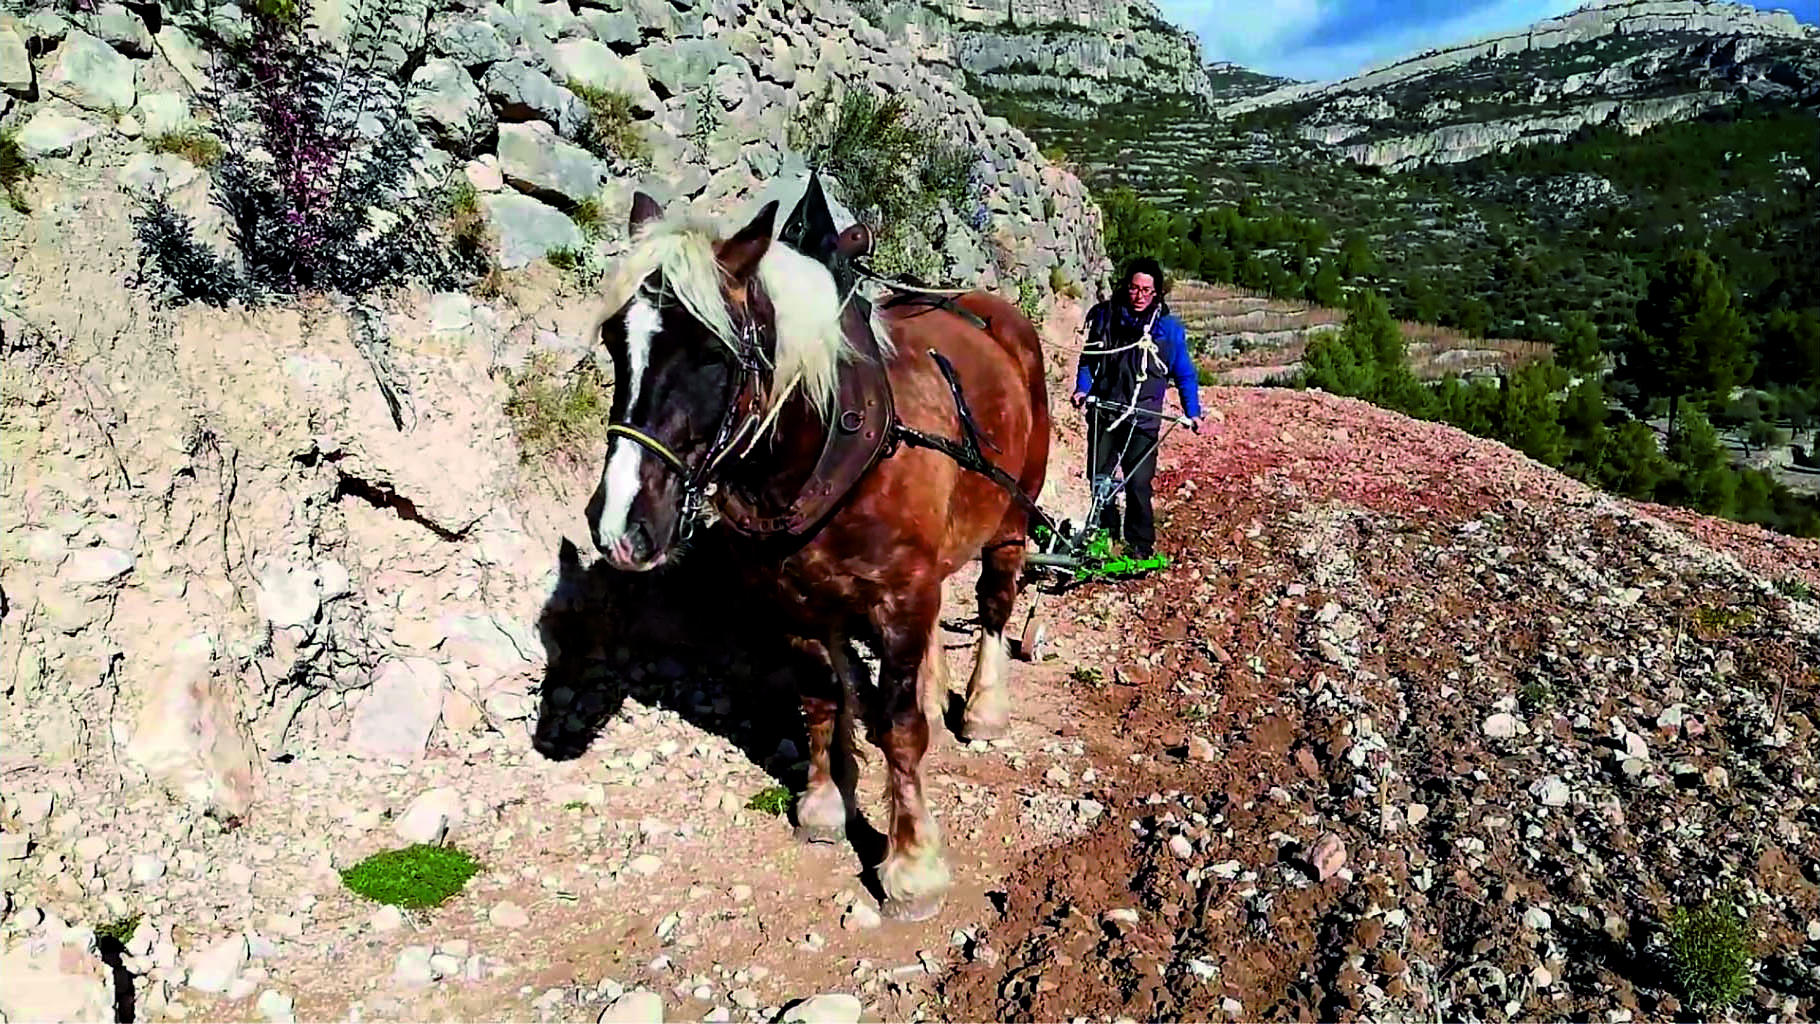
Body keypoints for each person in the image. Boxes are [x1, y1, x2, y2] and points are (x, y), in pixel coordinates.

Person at [1070, 257, 1203, 560]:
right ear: (1125, 287)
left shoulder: (1168, 331)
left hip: (1143, 419)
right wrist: (1082, 387)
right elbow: (1089, 360)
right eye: (1133, 288)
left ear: (1156, 293)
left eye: (1146, 290)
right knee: (1100, 479)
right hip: (1104, 411)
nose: (1139, 296)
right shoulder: (1105, 318)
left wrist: (1192, 410)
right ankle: (1101, 536)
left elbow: (1184, 374)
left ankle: (1140, 545)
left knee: (1138, 483)